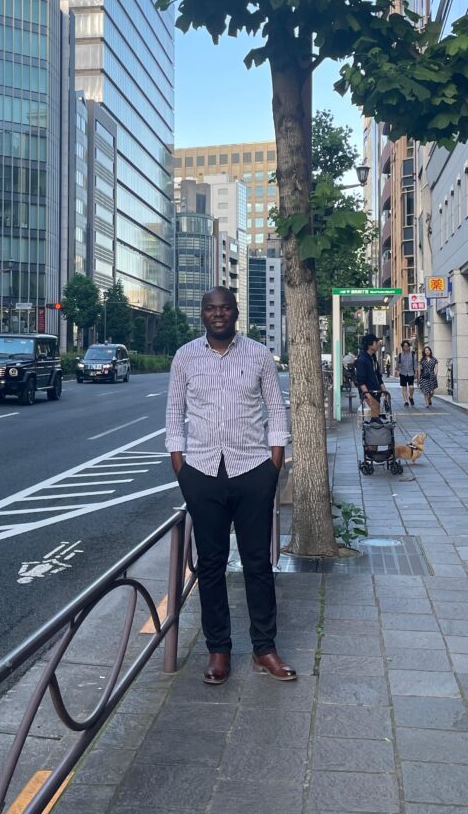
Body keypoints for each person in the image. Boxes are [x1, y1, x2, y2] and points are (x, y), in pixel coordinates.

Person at [165, 287, 295, 685]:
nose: (218, 314)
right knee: (210, 564)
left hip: (253, 469)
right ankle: (218, 650)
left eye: (224, 308)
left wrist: (274, 463)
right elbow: (174, 413)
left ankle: (264, 648)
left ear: (236, 312)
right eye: (211, 308)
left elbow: (276, 408)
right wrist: (180, 466)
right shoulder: (185, 356)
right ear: (202, 314)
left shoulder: (258, 354)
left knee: (258, 563)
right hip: (202, 472)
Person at [355, 333, 389, 417]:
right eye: (376, 342)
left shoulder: (373, 358)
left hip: (376, 392)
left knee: (376, 417)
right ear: (370, 345)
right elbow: (361, 381)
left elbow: (379, 377)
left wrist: (385, 393)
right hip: (369, 394)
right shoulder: (362, 360)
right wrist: (368, 397)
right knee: (372, 418)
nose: (378, 344)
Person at [396, 340, 417, 406]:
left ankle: (411, 397)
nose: (406, 347)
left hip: (411, 373)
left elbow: (415, 364)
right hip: (403, 373)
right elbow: (398, 364)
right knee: (404, 388)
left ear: (409, 346)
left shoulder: (412, 354)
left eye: (407, 346)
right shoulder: (400, 355)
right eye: (404, 346)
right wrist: (397, 371)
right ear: (402, 347)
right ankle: (406, 401)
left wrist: (416, 372)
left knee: (411, 387)